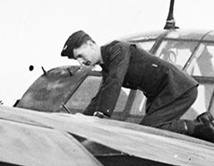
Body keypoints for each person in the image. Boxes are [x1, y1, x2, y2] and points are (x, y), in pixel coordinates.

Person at [60, 30, 200, 130]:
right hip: (163, 93)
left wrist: (100, 115)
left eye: (80, 56)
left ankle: (202, 128)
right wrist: (83, 118)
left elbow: (115, 80)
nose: (80, 62)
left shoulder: (117, 49)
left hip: (177, 87)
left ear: (91, 44)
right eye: (76, 59)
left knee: (151, 130)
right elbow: (101, 95)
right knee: (151, 129)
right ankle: (202, 128)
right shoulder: (108, 65)